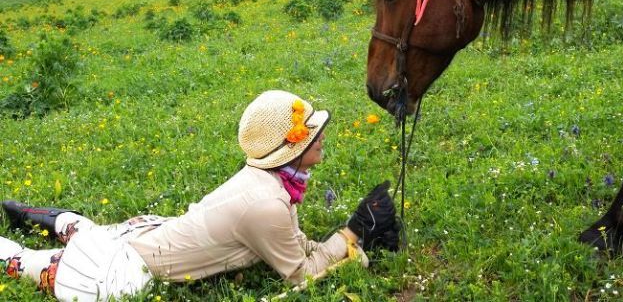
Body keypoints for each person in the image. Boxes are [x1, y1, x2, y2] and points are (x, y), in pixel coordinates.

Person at [0, 90, 400, 301]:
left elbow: (292, 243)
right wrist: (349, 236)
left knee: (93, 232)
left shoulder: (267, 180)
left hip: (147, 236)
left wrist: (337, 240)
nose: (321, 135)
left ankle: (41, 216)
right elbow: (301, 273)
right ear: (291, 149)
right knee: (29, 264)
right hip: (122, 269)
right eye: (312, 132)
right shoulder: (267, 204)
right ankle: (27, 233)